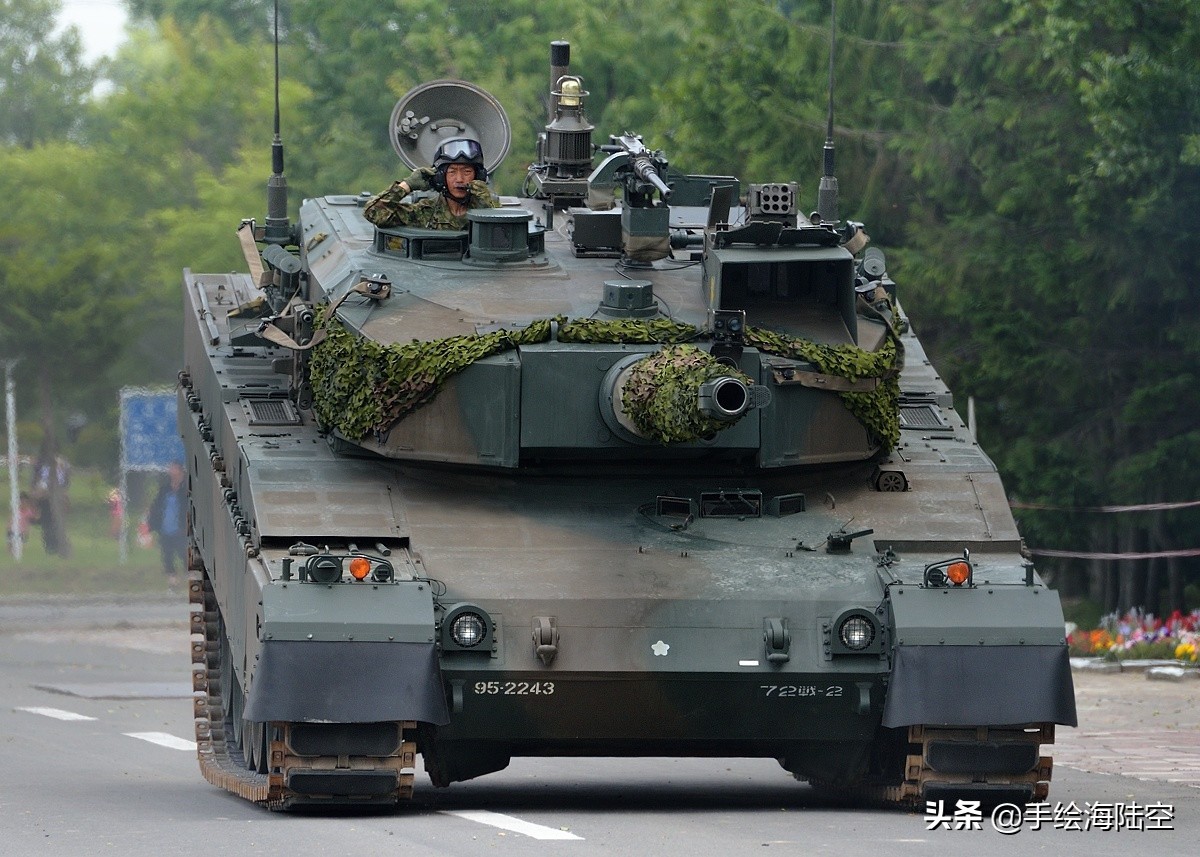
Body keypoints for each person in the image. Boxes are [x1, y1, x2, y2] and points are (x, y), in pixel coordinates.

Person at [363, 137, 500, 230]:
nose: (459, 179)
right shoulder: (425, 213)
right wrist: (407, 185)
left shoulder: (490, 206)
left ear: (478, 176)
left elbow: (504, 236)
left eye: (467, 172)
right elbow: (373, 212)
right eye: (452, 172)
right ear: (440, 177)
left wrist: (486, 206)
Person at [146, 462, 187, 589]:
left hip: (181, 529)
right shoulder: (164, 489)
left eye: (174, 469)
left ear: (181, 472)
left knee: (184, 555)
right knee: (167, 556)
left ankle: (192, 581)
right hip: (165, 529)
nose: (172, 472)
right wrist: (151, 524)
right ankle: (172, 583)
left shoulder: (186, 489)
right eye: (170, 470)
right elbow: (156, 507)